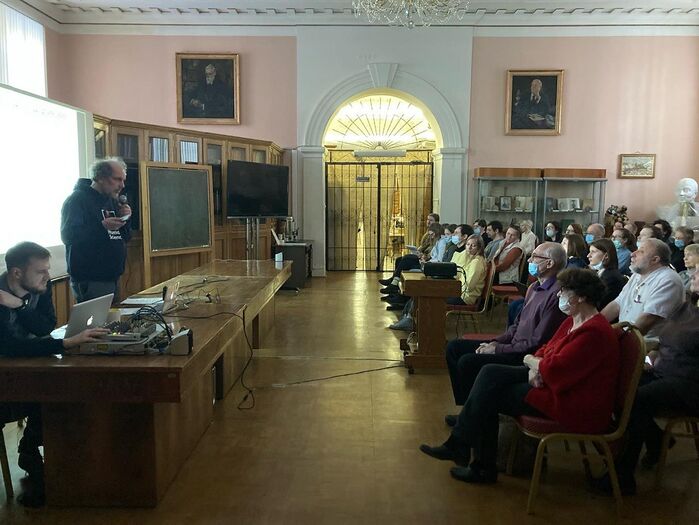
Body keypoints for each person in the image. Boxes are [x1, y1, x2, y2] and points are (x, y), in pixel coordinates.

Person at [421, 269, 620, 485]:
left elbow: (555, 370)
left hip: (574, 402)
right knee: (489, 372)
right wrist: (535, 364)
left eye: (563, 290)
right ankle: (464, 449)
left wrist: (533, 363)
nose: (558, 294)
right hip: (553, 384)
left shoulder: (594, 331)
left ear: (581, 297)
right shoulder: (572, 321)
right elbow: (545, 350)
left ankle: (473, 459)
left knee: (489, 395)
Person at [0, 242, 109, 507]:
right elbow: (10, 348)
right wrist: (64, 343)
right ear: (16, 273)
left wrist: (20, 306)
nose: (48, 276)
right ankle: (33, 457)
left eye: (48, 270)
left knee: (61, 388)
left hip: (26, 370)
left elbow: (45, 326)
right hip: (4, 381)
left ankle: (36, 452)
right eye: (41, 271)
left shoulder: (40, 287)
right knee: (52, 393)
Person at [592, 270, 699, 496]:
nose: (693, 275)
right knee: (616, 386)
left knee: (635, 400)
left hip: (689, 383)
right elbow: (664, 342)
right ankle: (654, 439)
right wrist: (650, 357)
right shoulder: (685, 308)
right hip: (663, 371)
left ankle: (623, 476)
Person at [443, 242, 567, 408]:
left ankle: (473, 410)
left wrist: (498, 349)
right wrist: (496, 342)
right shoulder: (533, 287)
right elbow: (516, 325)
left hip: (524, 355)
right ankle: (467, 406)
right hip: (512, 345)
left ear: (550, 263)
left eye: (535, 257)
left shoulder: (556, 294)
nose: (529, 260)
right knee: (454, 347)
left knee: (467, 361)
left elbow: (537, 342)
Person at [61, 158, 132, 303]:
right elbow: (68, 236)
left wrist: (126, 218)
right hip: (91, 278)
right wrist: (101, 227)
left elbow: (125, 237)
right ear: (99, 177)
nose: (122, 185)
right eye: (117, 179)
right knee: (98, 319)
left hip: (112, 276)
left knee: (112, 317)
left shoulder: (111, 200)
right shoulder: (77, 200)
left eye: (123, 180)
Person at [601, 239, 685, 337]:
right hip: (626, 334)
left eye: (641, 251)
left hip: (648, 342)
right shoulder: (637, 275)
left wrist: (619, 340)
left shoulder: (668, 280)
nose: (633, 254)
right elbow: (617, 304)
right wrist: (595, 325)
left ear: (655, 260)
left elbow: (648, 319)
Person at [448, 235, 487, 306]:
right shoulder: (470, 258)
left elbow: (469, 286)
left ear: (479, 248)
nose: (469, 248)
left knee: (438, 299)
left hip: (466, 297)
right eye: (468, 244)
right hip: (460, 293)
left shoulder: (477, 262)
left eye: (473, 245)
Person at [588, 238, 626, 309]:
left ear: (606, 255)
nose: (588, 255)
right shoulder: (599, 272)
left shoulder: (611, 277)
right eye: (589, 252)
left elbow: (599, 303)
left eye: (593, 252)